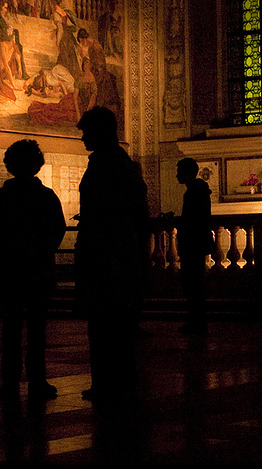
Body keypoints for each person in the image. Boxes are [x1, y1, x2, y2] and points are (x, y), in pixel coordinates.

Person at [75, 107, 149, 403]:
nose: (82, 138)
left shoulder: (108, 164)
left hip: (107, 254)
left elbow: (115, 207)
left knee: (106, 323)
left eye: (86, 132)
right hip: (115, 251)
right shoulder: (119, 163)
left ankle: (108, 382)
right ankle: (118, 380)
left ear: (100, 132)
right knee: (116, 324)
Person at [0, 140, 66, 400]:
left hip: (10, 269)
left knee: (10, 329)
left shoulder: (2, 196)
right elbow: (58, 229)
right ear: (37, 164)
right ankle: (37, 381)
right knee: (36, 329)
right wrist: (43, 251)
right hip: (37, 269)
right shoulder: (46, 196)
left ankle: (9, 383)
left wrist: (7, 252)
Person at [176, 157, 214, 334]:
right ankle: (197, 320)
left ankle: (197, 321)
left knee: (193, 283)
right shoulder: (198, 190)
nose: (176, 175)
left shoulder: (194, 191)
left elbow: (194, 220)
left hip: (193, 243)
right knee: (194, 282)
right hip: (196, 243)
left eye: (179, 171)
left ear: (187, 173)